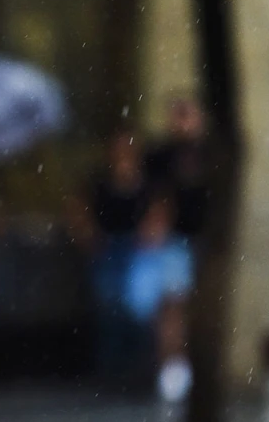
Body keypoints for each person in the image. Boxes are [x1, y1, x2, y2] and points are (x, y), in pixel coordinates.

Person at [69, 130, 161, 381]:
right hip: (107, 247)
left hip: (137, 249)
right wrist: (88, 235)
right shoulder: (99, 181)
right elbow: (81, 209)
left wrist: (150, 233)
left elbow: (158, 211)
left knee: (138, 308)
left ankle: (138, 369)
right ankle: (111, 371)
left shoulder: (147, 182)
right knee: (108, 307)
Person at [144, 98, 211, 403]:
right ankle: (172, 368)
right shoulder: (162, 156)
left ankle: (188, 367)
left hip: (203, 239)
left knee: (193, 308)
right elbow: (155, 195)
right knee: (172, 306)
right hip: (174, 240)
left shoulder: (210, 155)